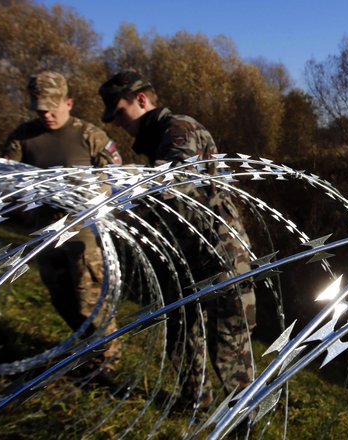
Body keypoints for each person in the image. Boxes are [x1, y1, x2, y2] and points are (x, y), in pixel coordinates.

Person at [98, 70, 256, 408]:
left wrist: (121, 187)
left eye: (120, 113)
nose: (119, 124)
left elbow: (175, 178)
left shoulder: (179, 129)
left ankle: (242, 416)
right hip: (183, 251)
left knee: (228, 340)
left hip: (219, 249)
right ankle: (195, 401)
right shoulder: (158, 138)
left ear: (141, 100)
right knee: (181, 330)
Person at [1, 71, 123, 378]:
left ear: (68, 102)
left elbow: (116, 175)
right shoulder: (23, 138)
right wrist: (23, 205)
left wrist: (92, 198)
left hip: (84, 230)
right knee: (60, 294)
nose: (47, 114)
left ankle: (107, 358)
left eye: (53, 107)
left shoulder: (89, 135)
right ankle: (85, 347)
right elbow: (6, 179)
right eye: (40, 108)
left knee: (89, 295)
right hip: (45, 230)